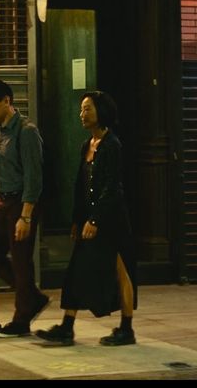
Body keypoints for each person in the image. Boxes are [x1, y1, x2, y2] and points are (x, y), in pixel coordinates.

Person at [35, 90, 138, 346]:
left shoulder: (112, 145)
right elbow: (81, 185)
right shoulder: (86, 145)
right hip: (89, 220)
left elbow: (111, 188)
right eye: (81, 109)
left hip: (110, 222)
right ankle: (66, 327)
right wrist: (77, 219)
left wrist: (95, 220)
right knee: (75, 272)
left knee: (120, 271)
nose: (82, 114)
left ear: (101, 112)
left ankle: (127, 328)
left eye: (87, 109)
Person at [0, 79, 50, 338]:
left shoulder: (26, 131)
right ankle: (32, 297)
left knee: (22, 261)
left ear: (7, 101)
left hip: (21, 203)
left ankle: (21, 320)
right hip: (0, 200)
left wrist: (26, 216)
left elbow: (34, 177)